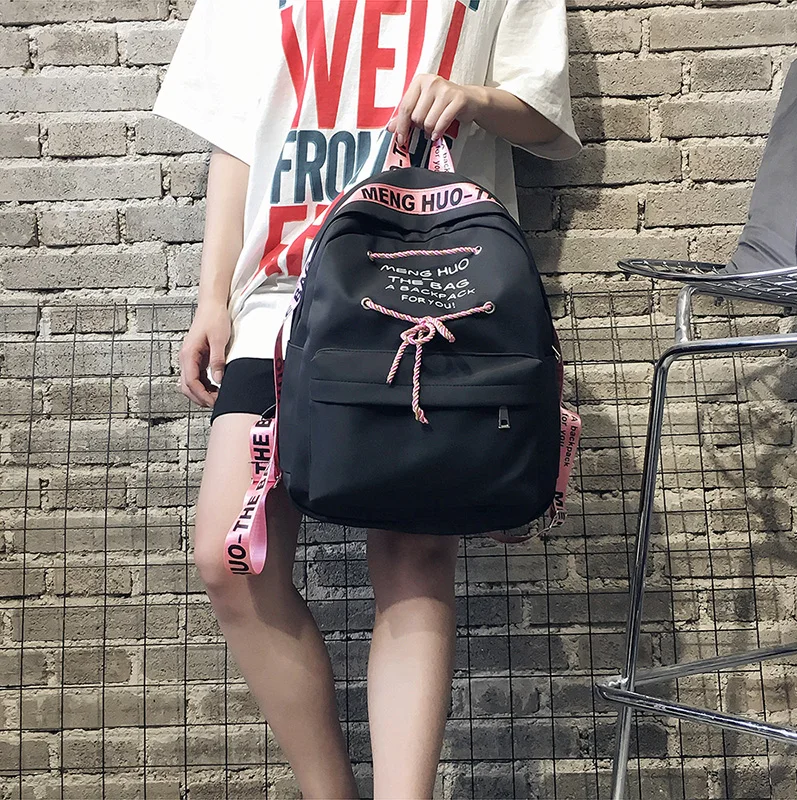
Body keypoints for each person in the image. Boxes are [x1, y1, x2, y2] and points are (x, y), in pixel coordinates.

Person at [153, 1, 580, 797]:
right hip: (279, 293)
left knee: (414, 555)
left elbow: (543, 110)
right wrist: (213, 295)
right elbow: (236, 132)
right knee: (230, 558)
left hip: (433, 284)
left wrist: (474, 98)